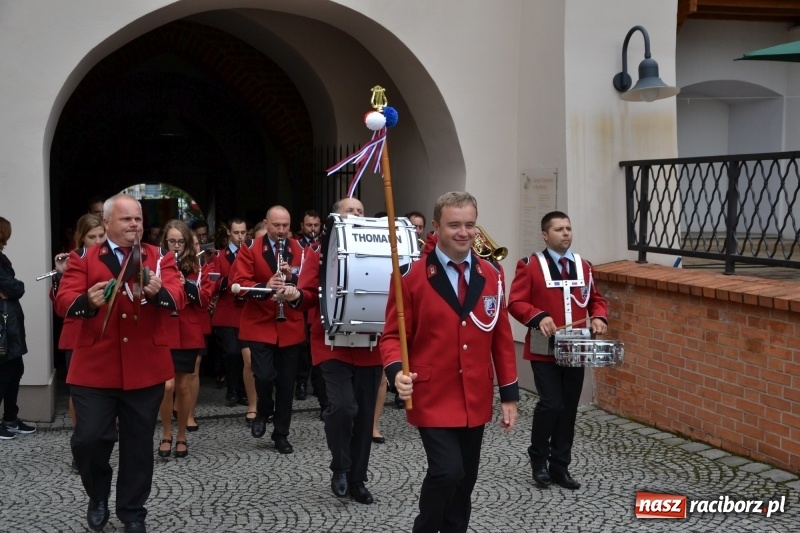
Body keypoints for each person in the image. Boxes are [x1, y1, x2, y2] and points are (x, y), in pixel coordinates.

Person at [381, 191, 519, 532]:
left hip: (474, 394)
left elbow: (501, 336)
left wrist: (509, 395)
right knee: (447, 471)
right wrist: (396, 372)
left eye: (470, 225)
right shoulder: (410, 276)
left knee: (465, 479)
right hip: (432, 393)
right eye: (454, 225)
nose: (464, 232)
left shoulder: (492, 274)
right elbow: (392, 337)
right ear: (436, 227)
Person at [54, 194, 185, 533]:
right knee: (88, 439)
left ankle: (132, 512)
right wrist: (87, 300)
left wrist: (158, 292)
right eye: (127, 219)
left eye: (138, 219)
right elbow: (64, 300)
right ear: (107, 222)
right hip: (94, 367)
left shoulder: (159, 257)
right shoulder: (84, 257)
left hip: (144, 367)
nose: (134, 225)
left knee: (138, 446)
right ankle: (97, 495)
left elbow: (178, 295)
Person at [284, 197, 384, 505]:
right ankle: (340, 466)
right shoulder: (319, 252)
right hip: (332, 344)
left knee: (364, 416)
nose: (356, 214)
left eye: (360, 211)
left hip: (369, 345)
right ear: (335, 218)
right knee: (341, 407)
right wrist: (295, 296)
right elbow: (308, 293)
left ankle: (357, 479)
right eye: (349, 210)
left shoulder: (380, 251)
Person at [507, 210, 608, 491]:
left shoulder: (584, 266)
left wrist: (599, 316)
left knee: (569, 407)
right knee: (552, 404)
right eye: (559, 229)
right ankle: (538, 460)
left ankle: (560, 466)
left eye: (568, 228)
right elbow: (515, 302)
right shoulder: (529, 265)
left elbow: (595, 299)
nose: (566, 233)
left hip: (576, 345)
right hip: (544, 347)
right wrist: (538, 316)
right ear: (545, 235)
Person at [230, 205, 305, 454]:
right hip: (260, 322)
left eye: (285, 225)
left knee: (286, 384)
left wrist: (291, 280)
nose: (281, 230)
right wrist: (266, 285)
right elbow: (238, 282)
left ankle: (281, 434)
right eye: (276, 225)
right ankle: (263, 409)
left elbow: (308, 282)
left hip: (289, 324)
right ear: (266, 223)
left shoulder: (299, 249)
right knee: (263, 376)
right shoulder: (250, 247)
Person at [156, 220, 214, 459]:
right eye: (172, 241)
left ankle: (181, 435)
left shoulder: (198, 267)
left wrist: (186, 284)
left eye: (180, 241)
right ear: (165, 242)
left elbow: (205, 299)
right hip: (164, 329)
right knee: (167, 386)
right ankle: (165, 433)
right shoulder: (158, 264)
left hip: (187, 331)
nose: (176, 246)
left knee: (183, 386)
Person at [50, 213, 106, 457]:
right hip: (77, 332)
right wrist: (60, 275)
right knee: (79, 391)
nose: (97, 241)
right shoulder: (75, 259)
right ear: (81, 238)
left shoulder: (112, 258)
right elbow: (59, 303)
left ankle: (101, 438)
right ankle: (81, 442)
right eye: (92, 237)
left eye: (101, 236)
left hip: (104, 331)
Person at [0, 216, 36, 441]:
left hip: (9, 324)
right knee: (5, 373)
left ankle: (10, 419)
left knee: (15, 371)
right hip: (4, 326)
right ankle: (8, 419)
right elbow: (15, 288)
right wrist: (18, 286)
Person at [210, 218, 248, 406]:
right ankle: (232, 389)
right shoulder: (218, 256)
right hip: (227, 312)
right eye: (236, 233)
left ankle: (244, 391)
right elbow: (212, 284)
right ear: (229, 233)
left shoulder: (250, 253)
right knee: (231, 352)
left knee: (246, 355)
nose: (240, 237)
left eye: (243, 233)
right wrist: (229, 278)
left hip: (246, 311)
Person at [294, 209, 322, 402]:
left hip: (318, 303)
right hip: (302, 300)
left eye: (316, 225)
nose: (313, 229)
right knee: (302, 348)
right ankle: (302, 383)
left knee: (318, 345)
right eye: (309, 225)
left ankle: (319, 385)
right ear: (302, 226)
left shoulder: (325, 245)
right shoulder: (295, 245)